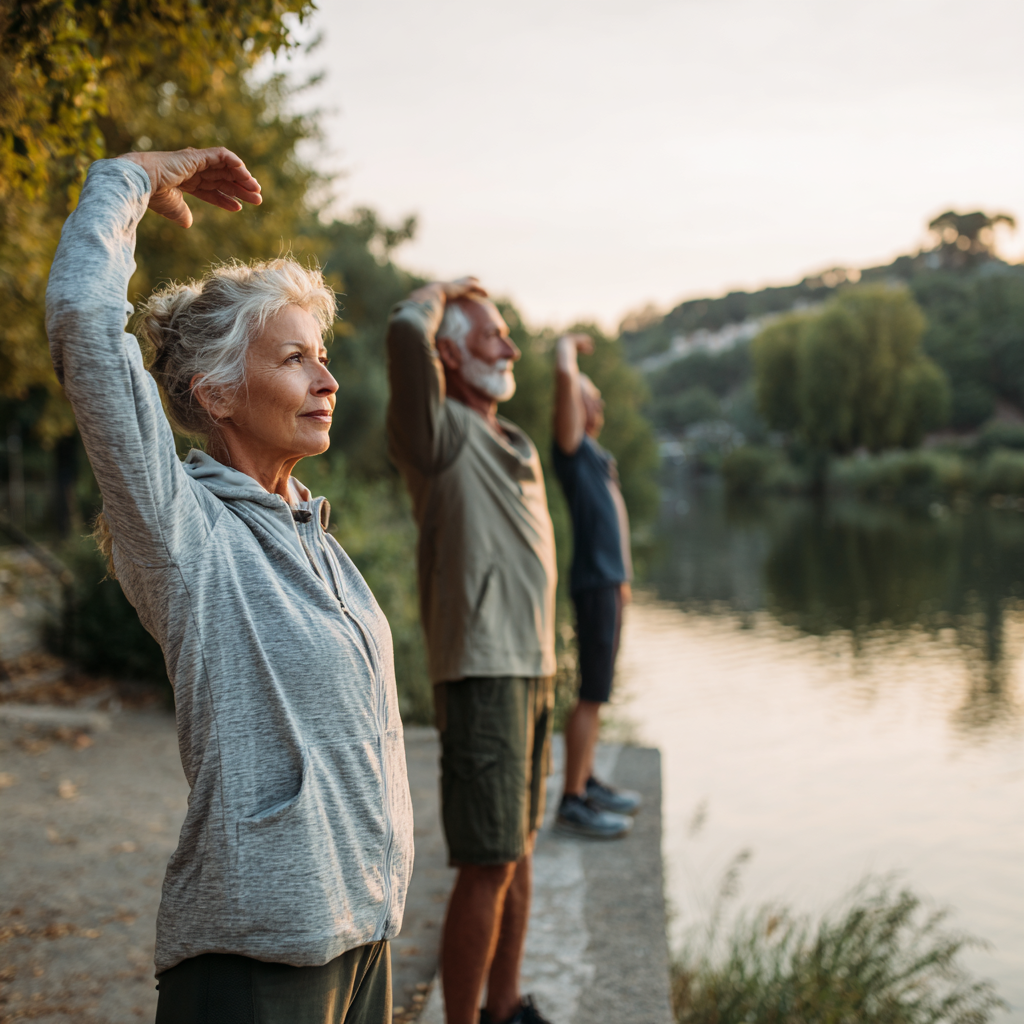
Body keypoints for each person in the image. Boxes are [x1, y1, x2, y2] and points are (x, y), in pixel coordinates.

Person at [46, 146, 413, 1023]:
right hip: (258, 958)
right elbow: (83, 323)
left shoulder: (316, 536)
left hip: (361, 938)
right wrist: (127, 180)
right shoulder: (187, 535)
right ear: (215, 391)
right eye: (295, 360)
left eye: (322, 357)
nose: (327, 380)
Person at [385, 280, 557, 1024]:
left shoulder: (514, 441)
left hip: (535, 668)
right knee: (486, 860)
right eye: (493, 335)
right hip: (482, 670)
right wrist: (439, 294)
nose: (511, 348)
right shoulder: (439, 434)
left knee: (515, 851)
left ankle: (504, 1007)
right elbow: (401, 333)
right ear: (450, 353)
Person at [551, 333, 642, 838]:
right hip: (595, 584)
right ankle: (572, 799)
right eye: (591, 392)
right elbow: (565, 382)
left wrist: (624, 581)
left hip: (610, 584)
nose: (599, 400)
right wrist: (566, 352)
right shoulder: (572, 449)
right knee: (591, 690)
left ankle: (587, 781)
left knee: (600, 691)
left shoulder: (596, 455)